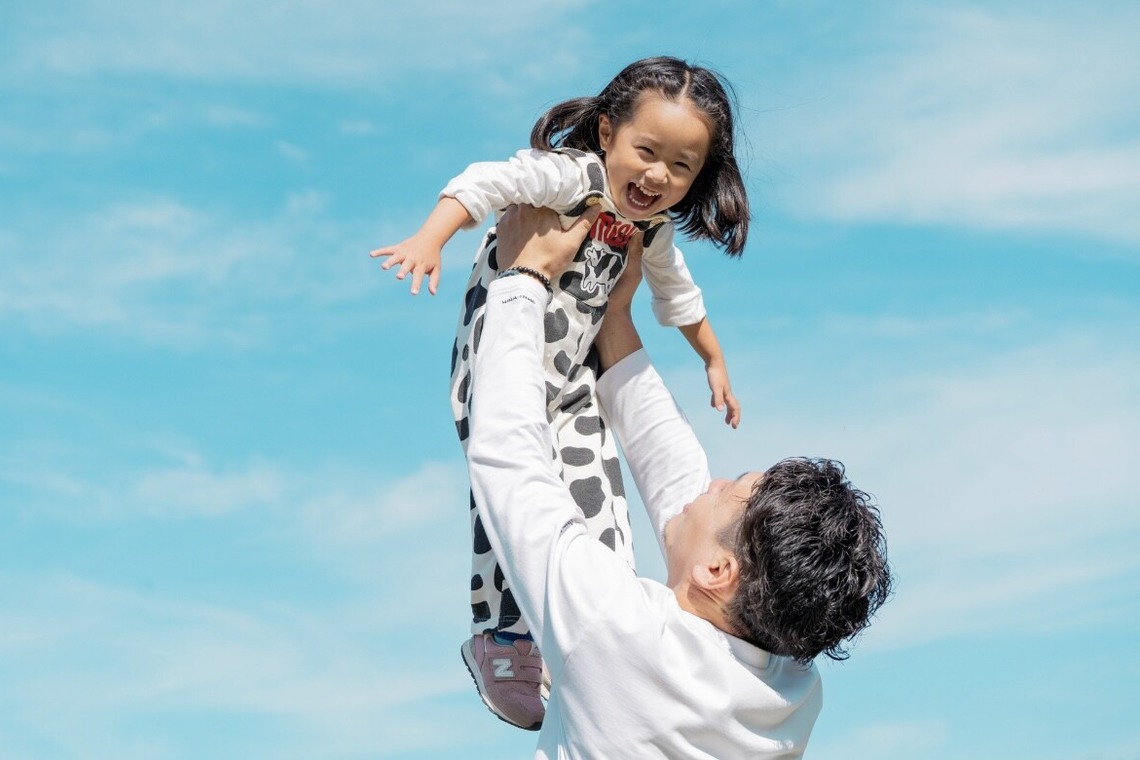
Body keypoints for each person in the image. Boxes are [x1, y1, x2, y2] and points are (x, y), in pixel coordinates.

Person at [371, 56, 750, 729]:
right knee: (510, 498)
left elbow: (677, 296)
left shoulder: (651, 229)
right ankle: (501, 637)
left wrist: (713, 359)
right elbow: (489, 181)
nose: (658, 176)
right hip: (496, 364)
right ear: (606, 133)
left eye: (681, 167)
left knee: (601, 509)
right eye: (647, 152)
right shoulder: (570, 177)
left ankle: (577, 637)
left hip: (573, 383)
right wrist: (431, 238)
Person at [464, 203, 892, 758]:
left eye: (727, 491)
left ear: (718, 571)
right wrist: (617, 318)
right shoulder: (789, 689)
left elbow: (509, 459)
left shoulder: (620, 633)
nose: (709, 485)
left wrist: (524, 279)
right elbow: (680, 483)